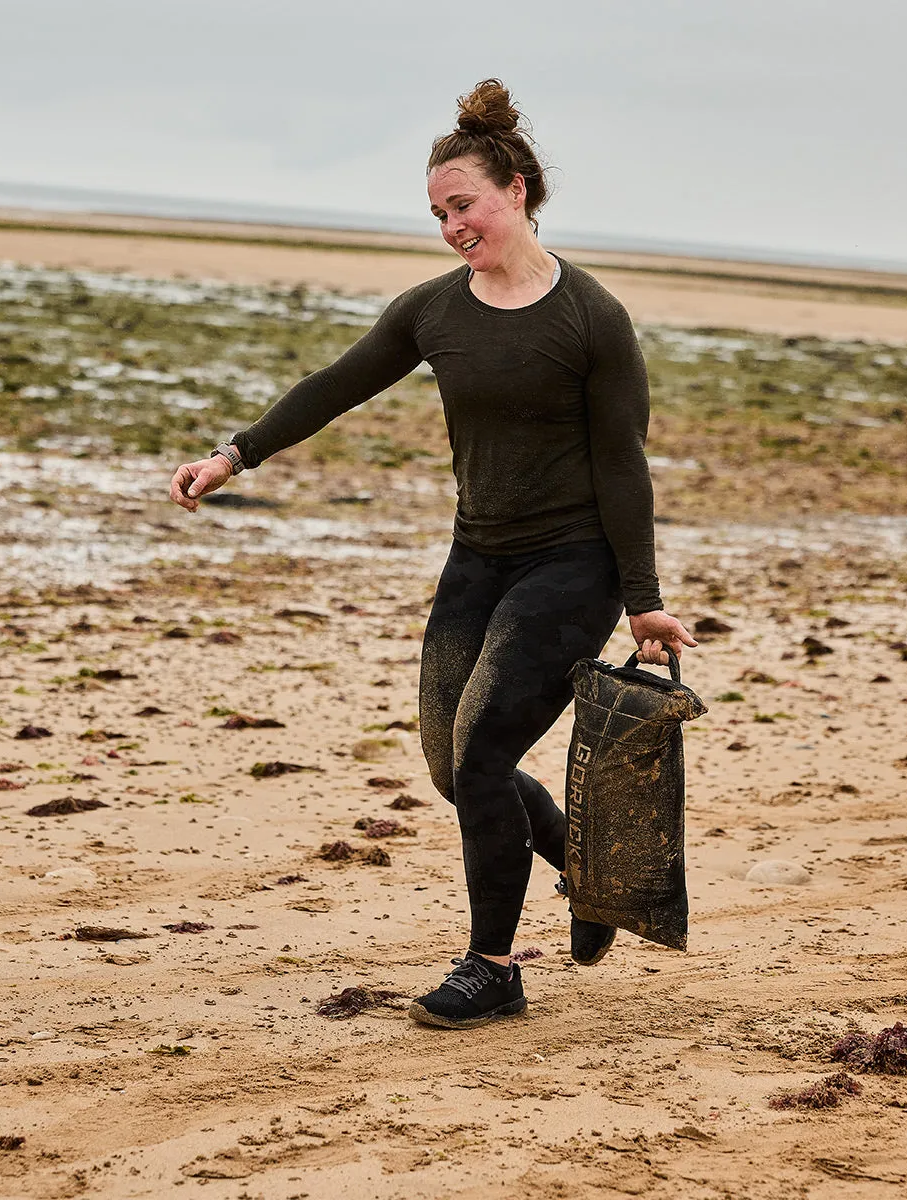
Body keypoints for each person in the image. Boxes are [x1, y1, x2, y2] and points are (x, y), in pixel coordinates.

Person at [169, 79, 695, 1030]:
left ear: (519, 190)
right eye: (439, 213)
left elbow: (623, 463)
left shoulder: (593, 319)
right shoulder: (434, 312)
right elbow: (335, 384)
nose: (453, 226)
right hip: (478, 556)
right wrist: (233, 453)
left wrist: (643, 599)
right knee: (453, 771)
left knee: (486, 755)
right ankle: (584, 869)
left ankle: (492, 968)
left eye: (465, 205)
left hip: (574, 567)